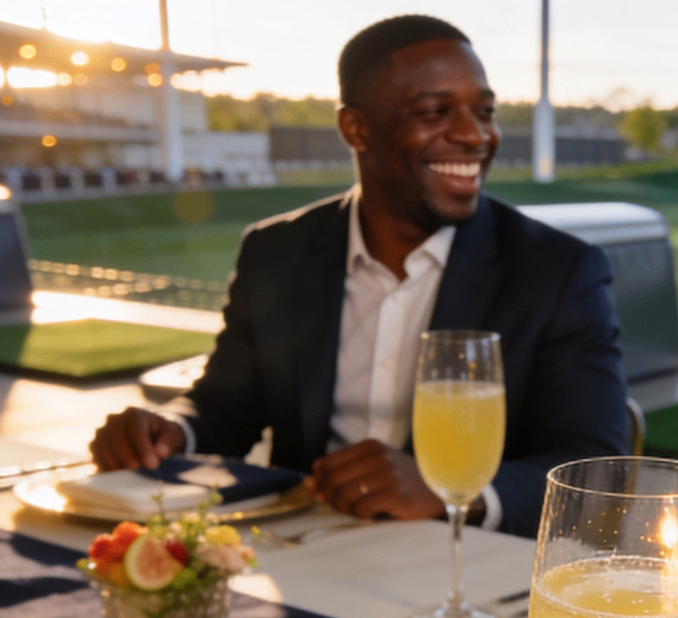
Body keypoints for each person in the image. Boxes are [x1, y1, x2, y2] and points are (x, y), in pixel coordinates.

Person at [89, 15, 628, 536]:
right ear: (356, 128)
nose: (475, 135)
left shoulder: (558, 272)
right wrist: (170, 430)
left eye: (484, 112)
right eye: (436, 111)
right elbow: (227, 406)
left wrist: (448, 492)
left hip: (466, 568)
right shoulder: (275, 251)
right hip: (297, 552)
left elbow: (595, 466)